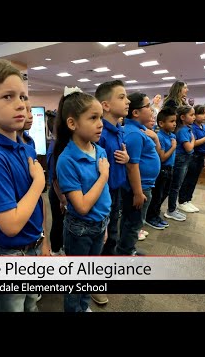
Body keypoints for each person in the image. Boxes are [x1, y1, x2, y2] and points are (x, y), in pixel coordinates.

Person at [0, 59, 49, 312]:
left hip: (33, 246)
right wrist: (39, 183)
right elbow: (11, 225)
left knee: (31, 304)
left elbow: (35, 205)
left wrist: (43, 241)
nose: (21, 105)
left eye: (23, 97)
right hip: (8, 255)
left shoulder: (25, 146)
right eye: (7, 96)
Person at [54, 86, 111, 312]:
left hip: (99, 224)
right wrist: (104, 175)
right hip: (80, 228)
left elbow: (103, 197)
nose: (101, 124)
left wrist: (104, 225)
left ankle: (83, 307)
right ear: (72, 124)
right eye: (93, 118)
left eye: (101, 118)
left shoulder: (100, 151)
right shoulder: (67, 160)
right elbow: (82, 206)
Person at [93, 80, 130, 306]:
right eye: (122, 97)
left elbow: (117, 162)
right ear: (106, 105)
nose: (127, 101)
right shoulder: (101, 134)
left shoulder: (118, 130)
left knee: (112, 235)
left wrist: (125, 160)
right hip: (103, 195)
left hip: (116, 191)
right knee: (103, 238)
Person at [116, 92, 161, 256]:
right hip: (139, 187)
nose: (151, 110)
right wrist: (138, 193)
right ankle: (125, 254)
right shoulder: (134, 133)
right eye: (148, 106)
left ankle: (126, 249)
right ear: (136, 112)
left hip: (143, 185)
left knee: (132, 221)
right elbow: (131, 166)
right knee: (134, 223)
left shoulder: (139, 130)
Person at [145, 107, 177, 229]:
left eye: (175, 121)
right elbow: (162, 157)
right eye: (171, 121)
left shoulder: (172, 135)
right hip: (162, 170)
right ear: (161, 123)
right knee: (157, 195)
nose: (174, 124)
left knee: (164, 194)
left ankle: (155, 214)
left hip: (170, 169)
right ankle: (150, 217)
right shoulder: (160, 137)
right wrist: (173, 147)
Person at [177, 105, 205, 213]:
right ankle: (182, 201)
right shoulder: (192, 128)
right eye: (201, 113)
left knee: (194, 180)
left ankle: (188, 200)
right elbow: (194, 143)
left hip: (201, 157)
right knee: (187, 180)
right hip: (193, 156)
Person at [165, 105, 195, 221]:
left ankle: (173, 208)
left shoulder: (187, 128)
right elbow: (189, 148)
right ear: (182, 117)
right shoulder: (182, 130)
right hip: (181, 160)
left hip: (185, 160)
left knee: (178, 185)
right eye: (191, 115)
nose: (194, 117)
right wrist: (193, 140)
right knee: (175, 186)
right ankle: (171, 210)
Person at [46, 110, 66, 255]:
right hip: (57, 193)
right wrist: (63, 199)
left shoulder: (59, 144)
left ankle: (60, 246)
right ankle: (55, 249)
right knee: (58, 222)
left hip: (62, 191)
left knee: (62, 222)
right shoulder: (55, 148)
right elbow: (54, 179)